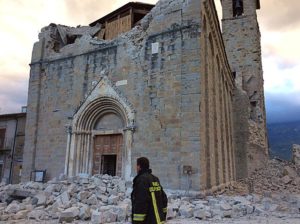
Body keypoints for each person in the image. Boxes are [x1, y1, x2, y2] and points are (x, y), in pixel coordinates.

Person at [131, 157, 168, 223]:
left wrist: (137, 222)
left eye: (136, 166)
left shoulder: (141, 180)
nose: (136, 168)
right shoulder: (155, 179)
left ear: (139, 166)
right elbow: (164, 199)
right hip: (159, 221)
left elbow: (141, 202)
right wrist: (163, 215)